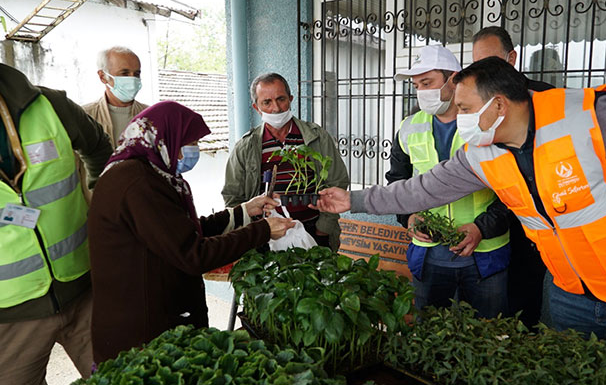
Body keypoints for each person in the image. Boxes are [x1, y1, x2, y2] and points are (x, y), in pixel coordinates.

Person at [314, 57, 606, 385]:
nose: (460, 118)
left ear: (498, 106)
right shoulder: (484, 151)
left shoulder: (591, 118)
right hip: (571, 294)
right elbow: (424, 189)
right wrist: (356, 199)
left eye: (465, 109)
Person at [87, 101, 295, 363]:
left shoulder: (149, 173)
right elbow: (193, 254)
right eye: (191, 141)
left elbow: (182, 231)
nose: (194, 150)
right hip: (143, 336)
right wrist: (262, 231)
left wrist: (244, 211)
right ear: (167, 137)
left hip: (154, 320)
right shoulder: (138, 184)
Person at [0, 63, 113, 384]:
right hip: (9, 317)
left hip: (85, 292)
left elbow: (99, 148)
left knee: (124, 376)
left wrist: (102, 204)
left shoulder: (49, 106)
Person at [387, 45, 511, 316]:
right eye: (417, 85)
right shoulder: (409, 127)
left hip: (483, 254)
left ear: (453, 79)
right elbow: (398, 181)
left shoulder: (486, 123)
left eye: (428, 82)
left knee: (488, 337)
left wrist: (481, 228)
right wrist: (408, 217)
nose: (422, 91)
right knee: (430, 332)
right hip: (429, 255)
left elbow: (514, 188)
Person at [471, 26, 554, 327]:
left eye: (492, 61)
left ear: (512, 58)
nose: (485, 72)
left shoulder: (544, 99)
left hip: (533, 228)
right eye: (477, 65)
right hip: (488, 224)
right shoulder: (476, 108)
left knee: (523, 309)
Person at [222, 72, 349, 250]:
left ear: (290, 99)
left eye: (281, 99)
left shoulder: (316, 137)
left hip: (313, 230)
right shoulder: (246, 146)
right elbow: (232, 196)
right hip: (265, 237)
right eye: (267, 102)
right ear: (256, 107)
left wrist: (323, 230)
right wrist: (253, 232)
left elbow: (337, 181)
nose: (276, 108)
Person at [84, 46, 149, 148]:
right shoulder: (86, 116)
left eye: (136, 74)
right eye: (124, 74)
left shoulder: (150, 115)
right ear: (103, 77)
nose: (132, 80)